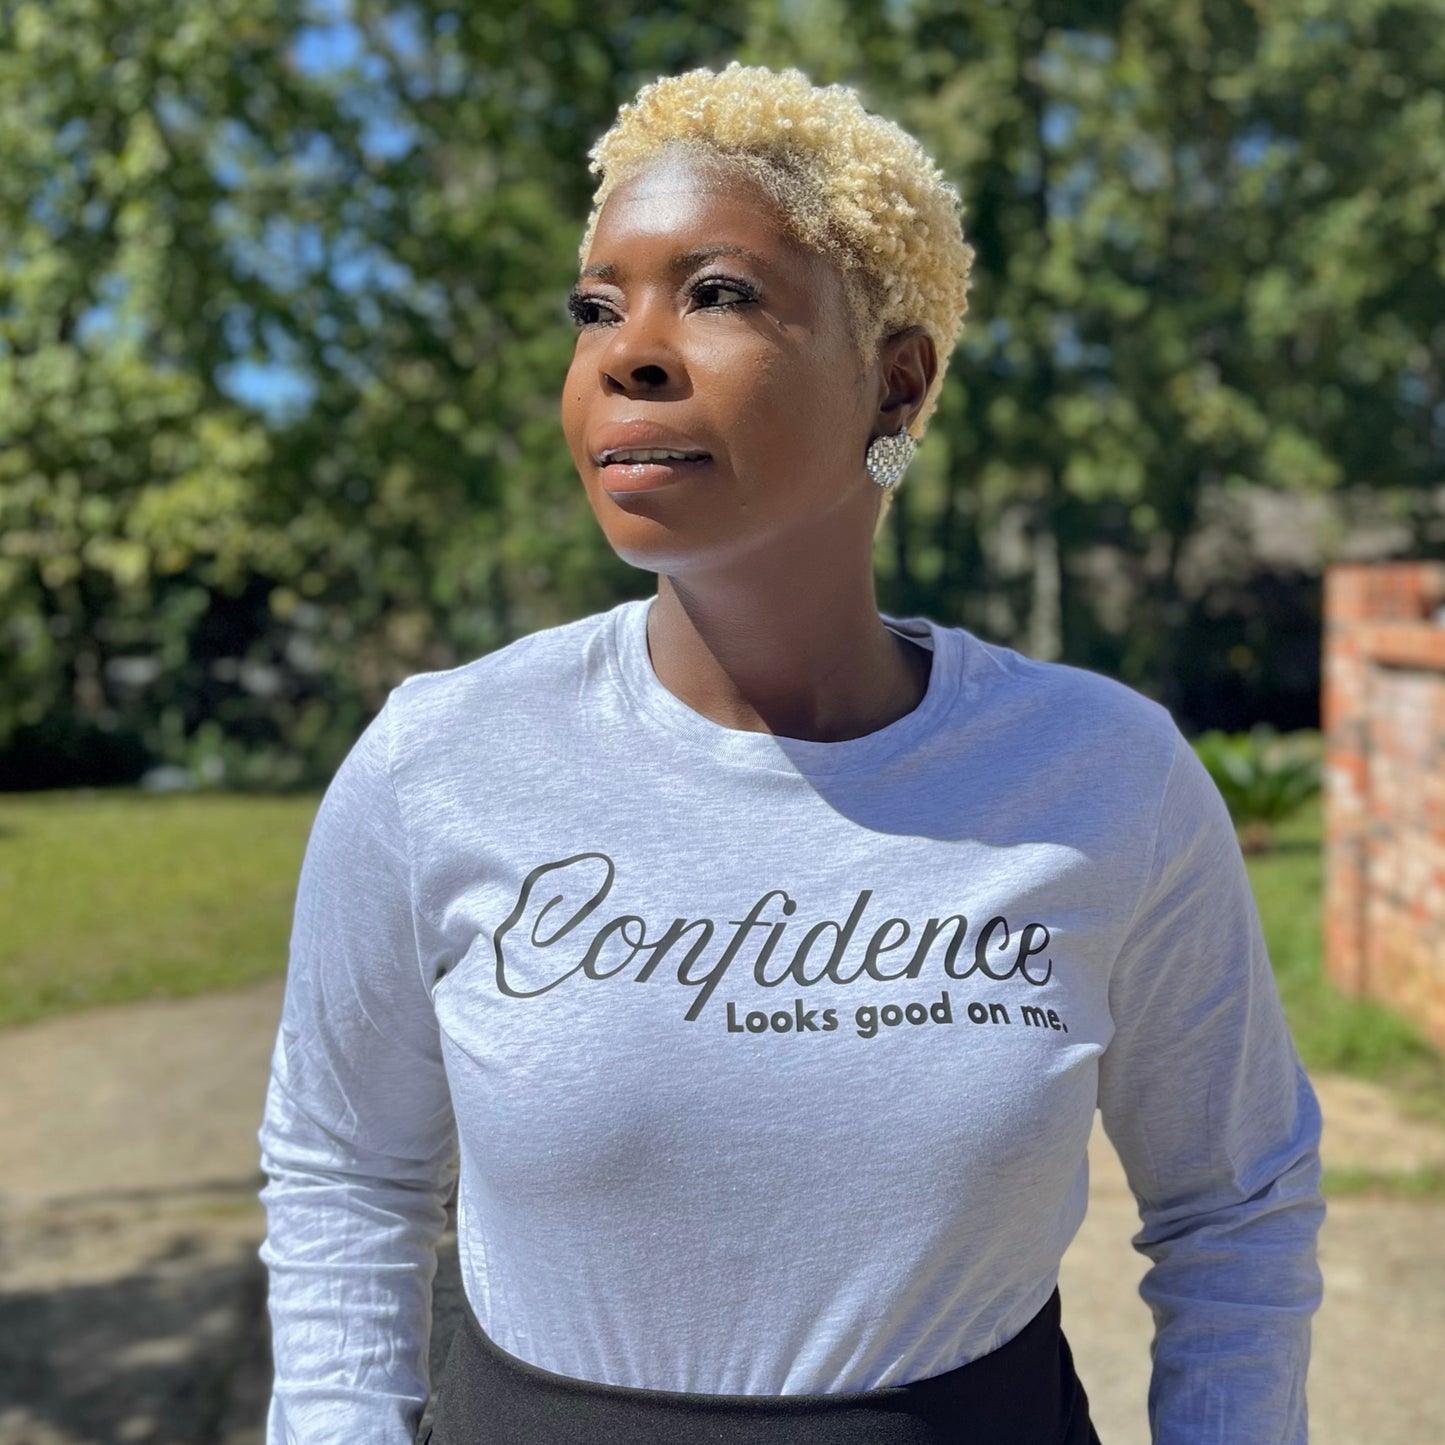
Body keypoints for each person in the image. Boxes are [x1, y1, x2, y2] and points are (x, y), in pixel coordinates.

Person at [257, 62, 1325, 1445]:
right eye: (598, 307)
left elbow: (1234, 1201)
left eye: (716, 293)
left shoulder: (1099, 777)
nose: (630, 350)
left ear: (895, 380)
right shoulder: (440, 760)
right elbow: (344, 1169)